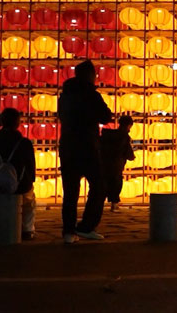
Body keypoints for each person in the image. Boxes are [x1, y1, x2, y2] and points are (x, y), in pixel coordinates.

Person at [58, 60, 114, 244]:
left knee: (71, 192)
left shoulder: (65, 96)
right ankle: (86, 226)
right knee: (99, 186)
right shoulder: (91, 94)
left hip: (68, 147)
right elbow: (106, 116)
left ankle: (68, 231)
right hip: (88, 146)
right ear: (89, 75)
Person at [0, 108, 36, 240]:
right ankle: (26, 229)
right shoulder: (24, 142)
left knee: (2, 204)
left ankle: (3, 226)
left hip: (0, 181)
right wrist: (31, 178)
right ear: (17, 123)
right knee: (28, 204)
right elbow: (30, 162)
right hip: (22, 182)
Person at [100, 115, 136, 212]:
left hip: (105, 162)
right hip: (117, 163)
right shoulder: (124, 136)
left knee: (104, 183)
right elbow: (127, 150)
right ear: (129, 125)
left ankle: (98, 204)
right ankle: (114, 204)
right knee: (116, 183)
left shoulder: (108, 135)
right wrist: (131, 156)